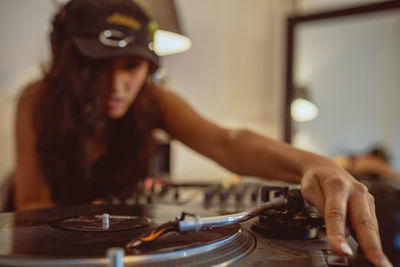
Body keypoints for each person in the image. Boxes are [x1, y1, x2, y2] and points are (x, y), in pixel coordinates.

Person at [14, 0, 391, 266]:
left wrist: (317, 165)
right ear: (70, 63)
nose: (116, 85)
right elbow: (31, 209)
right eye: (98, 66)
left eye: (131, 66)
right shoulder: (36, 100)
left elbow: (226, 142)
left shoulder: (153, 99)